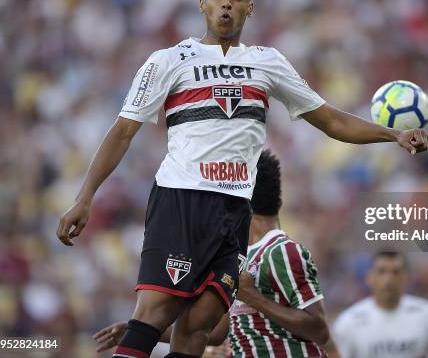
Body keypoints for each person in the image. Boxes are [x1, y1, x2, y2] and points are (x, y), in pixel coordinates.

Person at [56, 0, 424, 355]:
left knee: (199, 328)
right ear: (203, 5)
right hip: (182, 199)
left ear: (250, 7)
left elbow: (331, 120)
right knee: (154, 312)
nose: (226, 2)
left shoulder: (268, 63)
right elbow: (123, 130)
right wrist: (85, 197)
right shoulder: (169, 60)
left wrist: (393, 135)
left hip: (235, 212)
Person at [93, 150, 339, 357]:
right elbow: (217, 332)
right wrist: (145, 332)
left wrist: (254, 298)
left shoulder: (281, 252)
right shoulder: (234, 258)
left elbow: (320, 330)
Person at [333, 251, 428, 358]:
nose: (389, 279)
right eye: (382, 272)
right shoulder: (348, 322)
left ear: (406, 277)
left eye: (395, 272)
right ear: (369, 278)